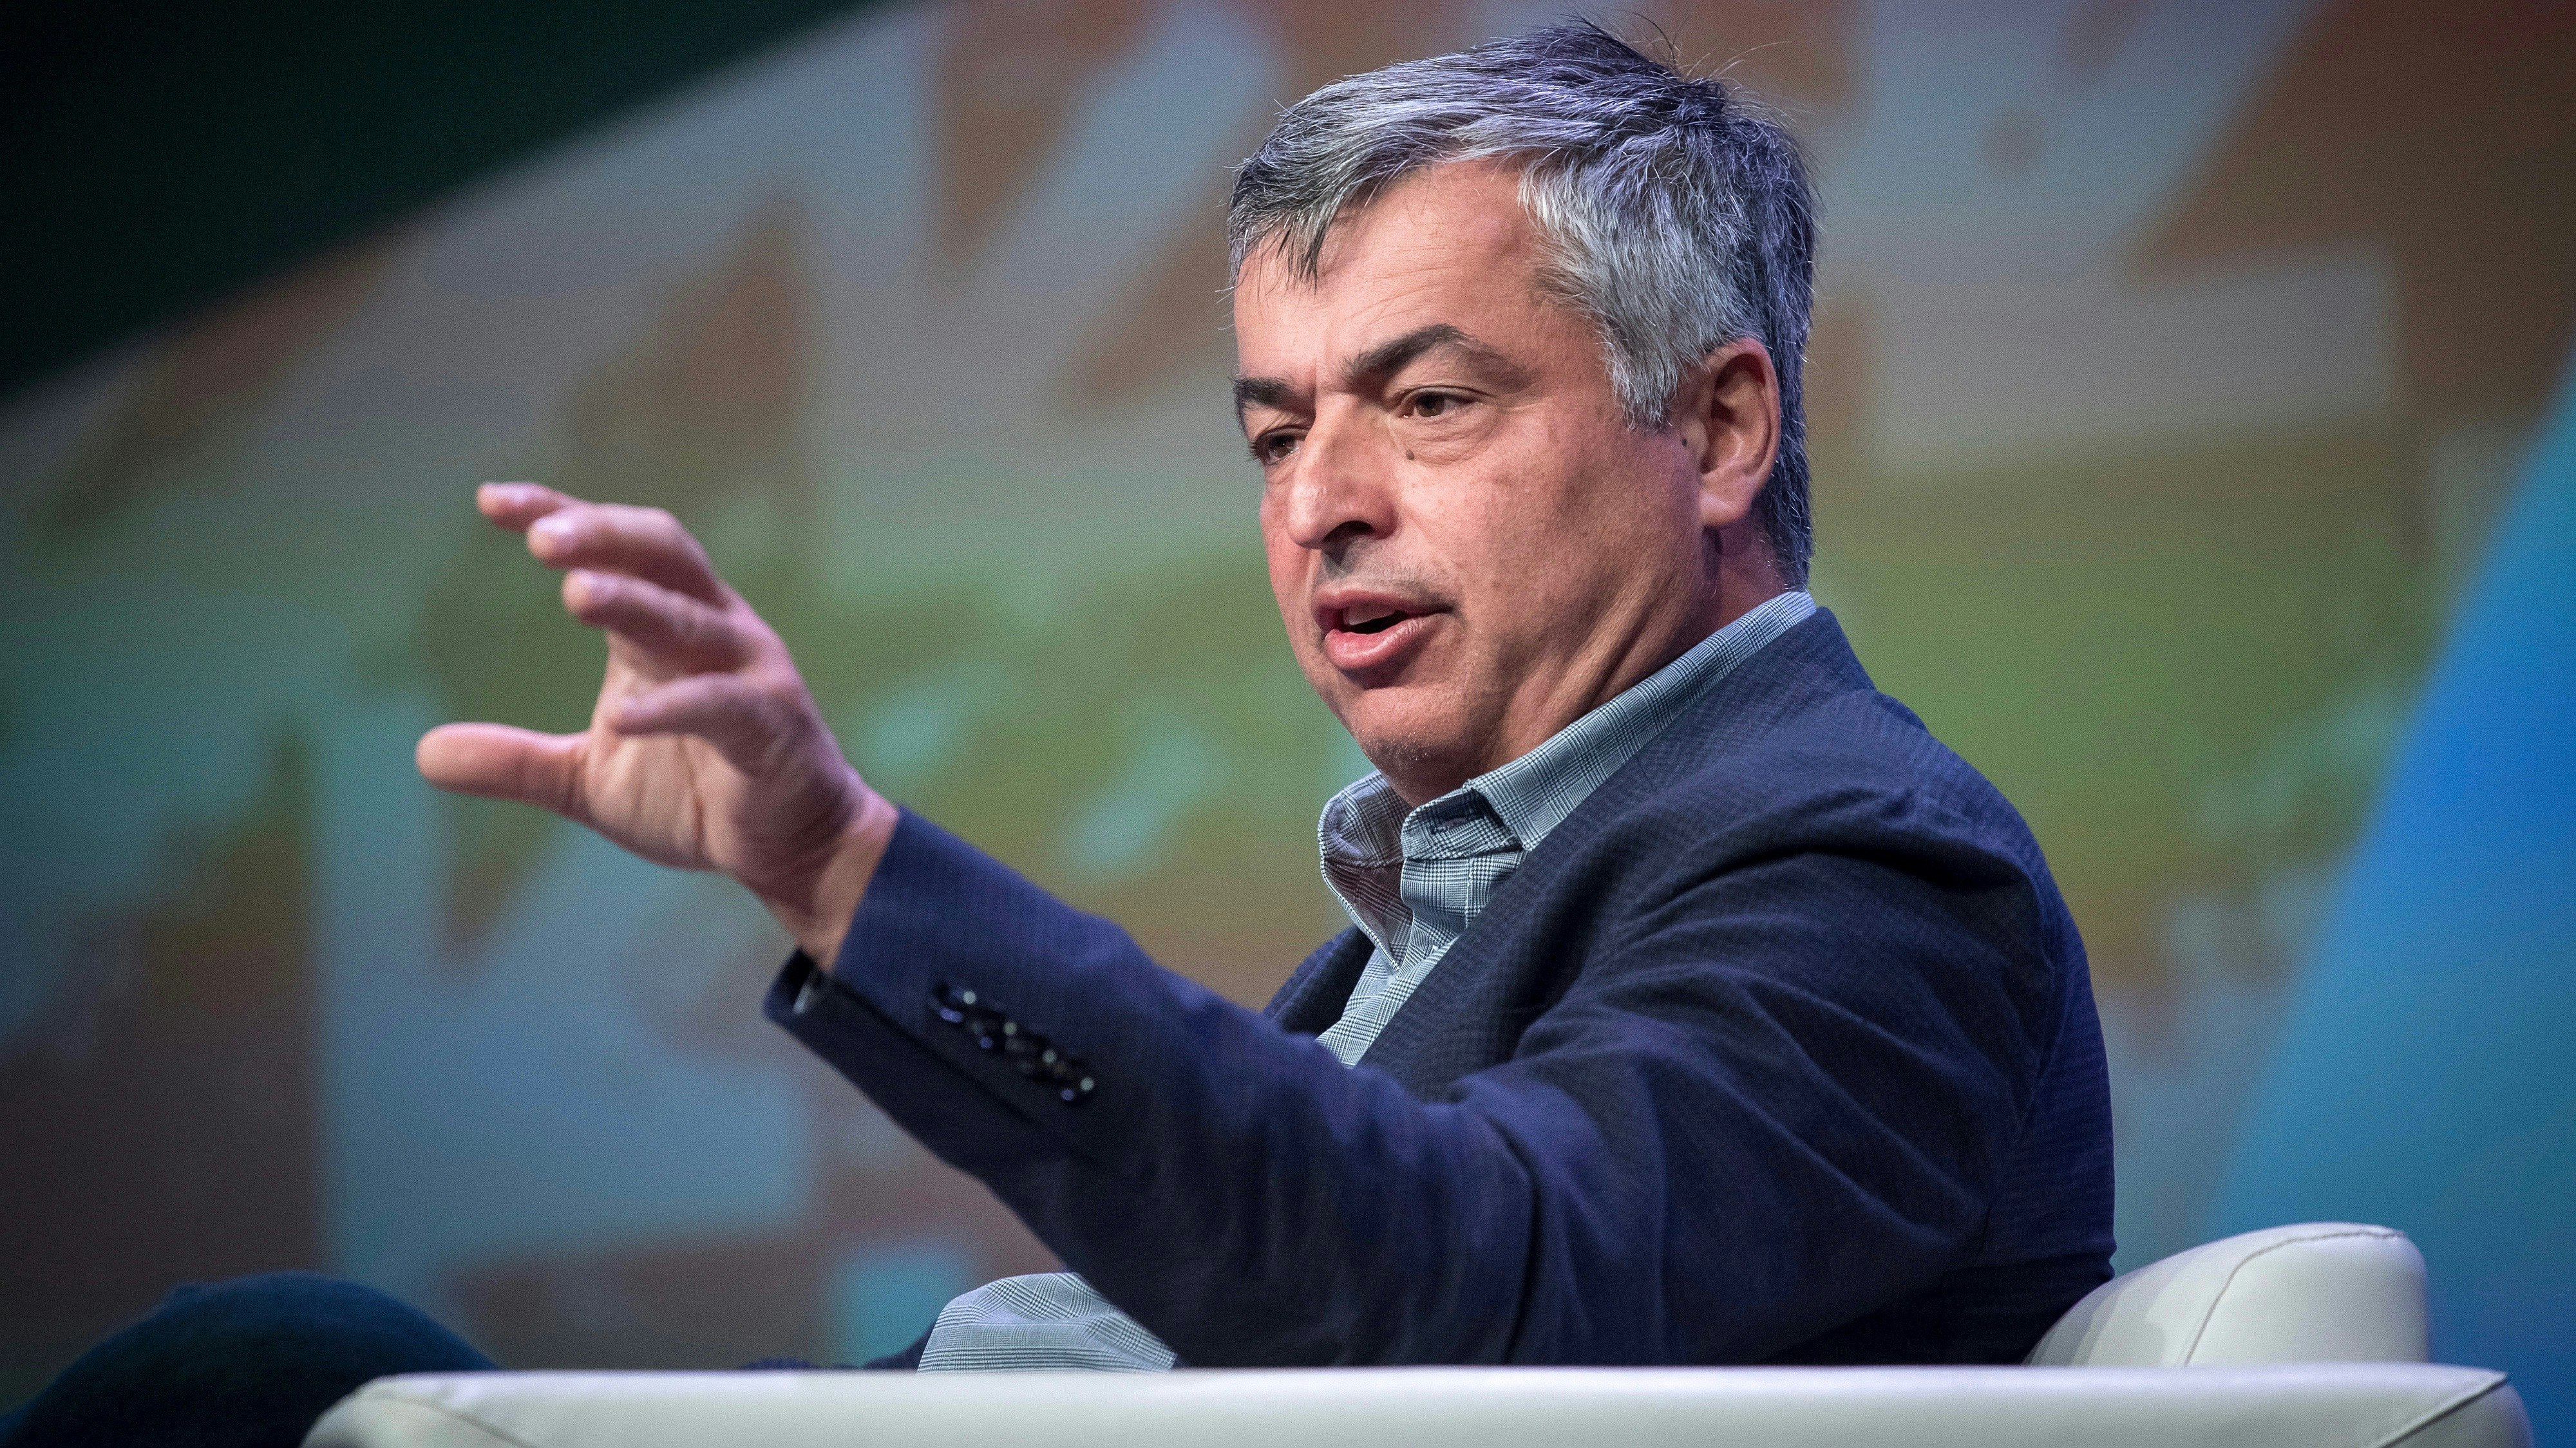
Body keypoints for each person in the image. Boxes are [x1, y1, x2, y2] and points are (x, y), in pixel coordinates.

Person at [1, 19, 2112, 1443]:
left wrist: (846, 865)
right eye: (1276, 428)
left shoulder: (1858, 864)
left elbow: (1491, 1293)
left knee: (270, 1374)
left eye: (1429, 399)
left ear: (1720, 421)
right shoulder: (1480, 873)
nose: (1320, 502)